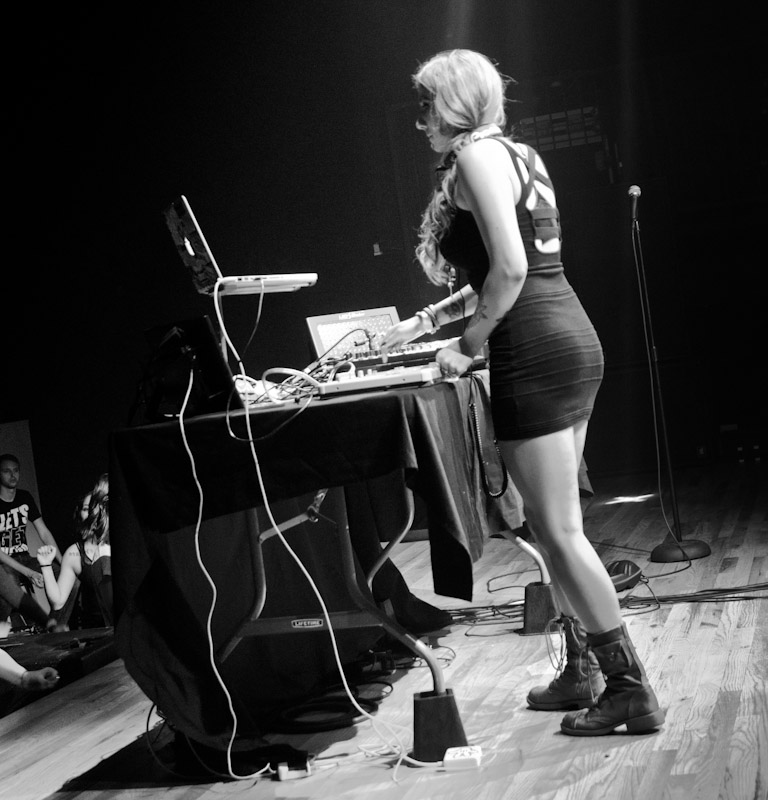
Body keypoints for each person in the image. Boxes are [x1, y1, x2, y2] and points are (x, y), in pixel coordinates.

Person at [381, 49, 664, 736]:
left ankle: (629, 688)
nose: (420, 122)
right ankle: (582, 671)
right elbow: (512, 270)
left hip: (533, 348)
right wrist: (426, 321)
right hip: (567, 334)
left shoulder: (476, 159)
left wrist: (465, 346)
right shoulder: (518, 154)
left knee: (559, 532)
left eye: (425, 106)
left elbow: (509, 271)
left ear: (452, 102)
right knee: (552, 526)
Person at [0, 453, 65, 632]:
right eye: (6, 471)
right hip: (5, 564)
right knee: (9, 592)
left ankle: (53, 626)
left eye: (16, 471)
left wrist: (62, 561)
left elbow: (44, 532)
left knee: (64, 575)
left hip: (25, 558)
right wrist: (28, 573)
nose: (13, 475)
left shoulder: (24, 497)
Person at [37, 474, 112, 627]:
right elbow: (58, 602)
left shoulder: (117, 541)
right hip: (97, 627)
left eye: (95, 507)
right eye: (86, 509)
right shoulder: (74, 553)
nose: (91, 513)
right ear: (80, 514)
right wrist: (45, 565)